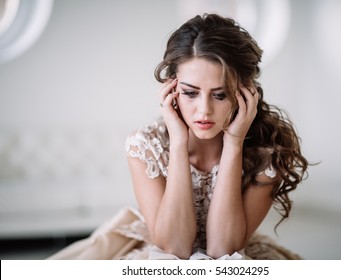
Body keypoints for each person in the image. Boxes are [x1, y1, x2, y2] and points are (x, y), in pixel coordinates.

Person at [48, 13, 308, 260]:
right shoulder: (145, 146)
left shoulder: (268, 153)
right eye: (190, 93)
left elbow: (223, 252)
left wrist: (234, 143)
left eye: (220, 95)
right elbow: (173, 249)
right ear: (172, 88)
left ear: (245, 94)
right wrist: (179, 143)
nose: (204, 110)